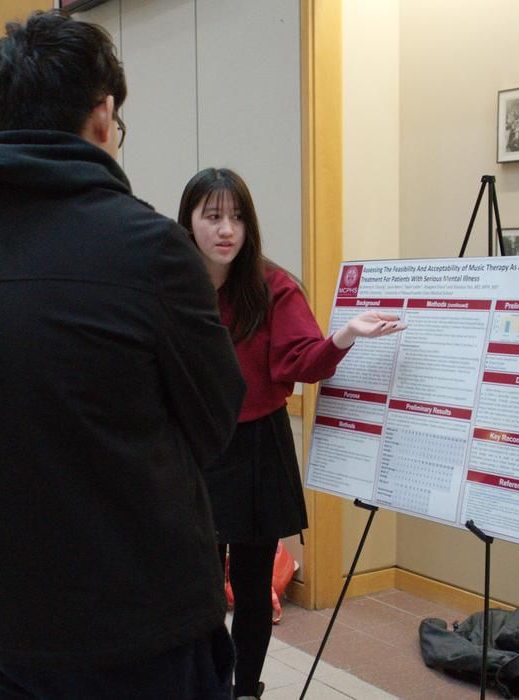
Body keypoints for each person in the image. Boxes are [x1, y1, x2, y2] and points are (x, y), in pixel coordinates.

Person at [0, 11, 245, 699]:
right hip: (145, 622)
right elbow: (214, 421)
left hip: (7, 616)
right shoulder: (150, 249)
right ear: (102, 115)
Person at [178, 167, 406, 699]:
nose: (225, 229)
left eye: (236, 217)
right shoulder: (172, 285)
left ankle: (245, 690)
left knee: (255, 589)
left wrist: (345, 335)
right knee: (200, 590)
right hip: (195, 448)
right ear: (188, 223)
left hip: (259, 446)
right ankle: (206, 685)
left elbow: (303, 361)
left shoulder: (271, 285)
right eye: (212, 216)